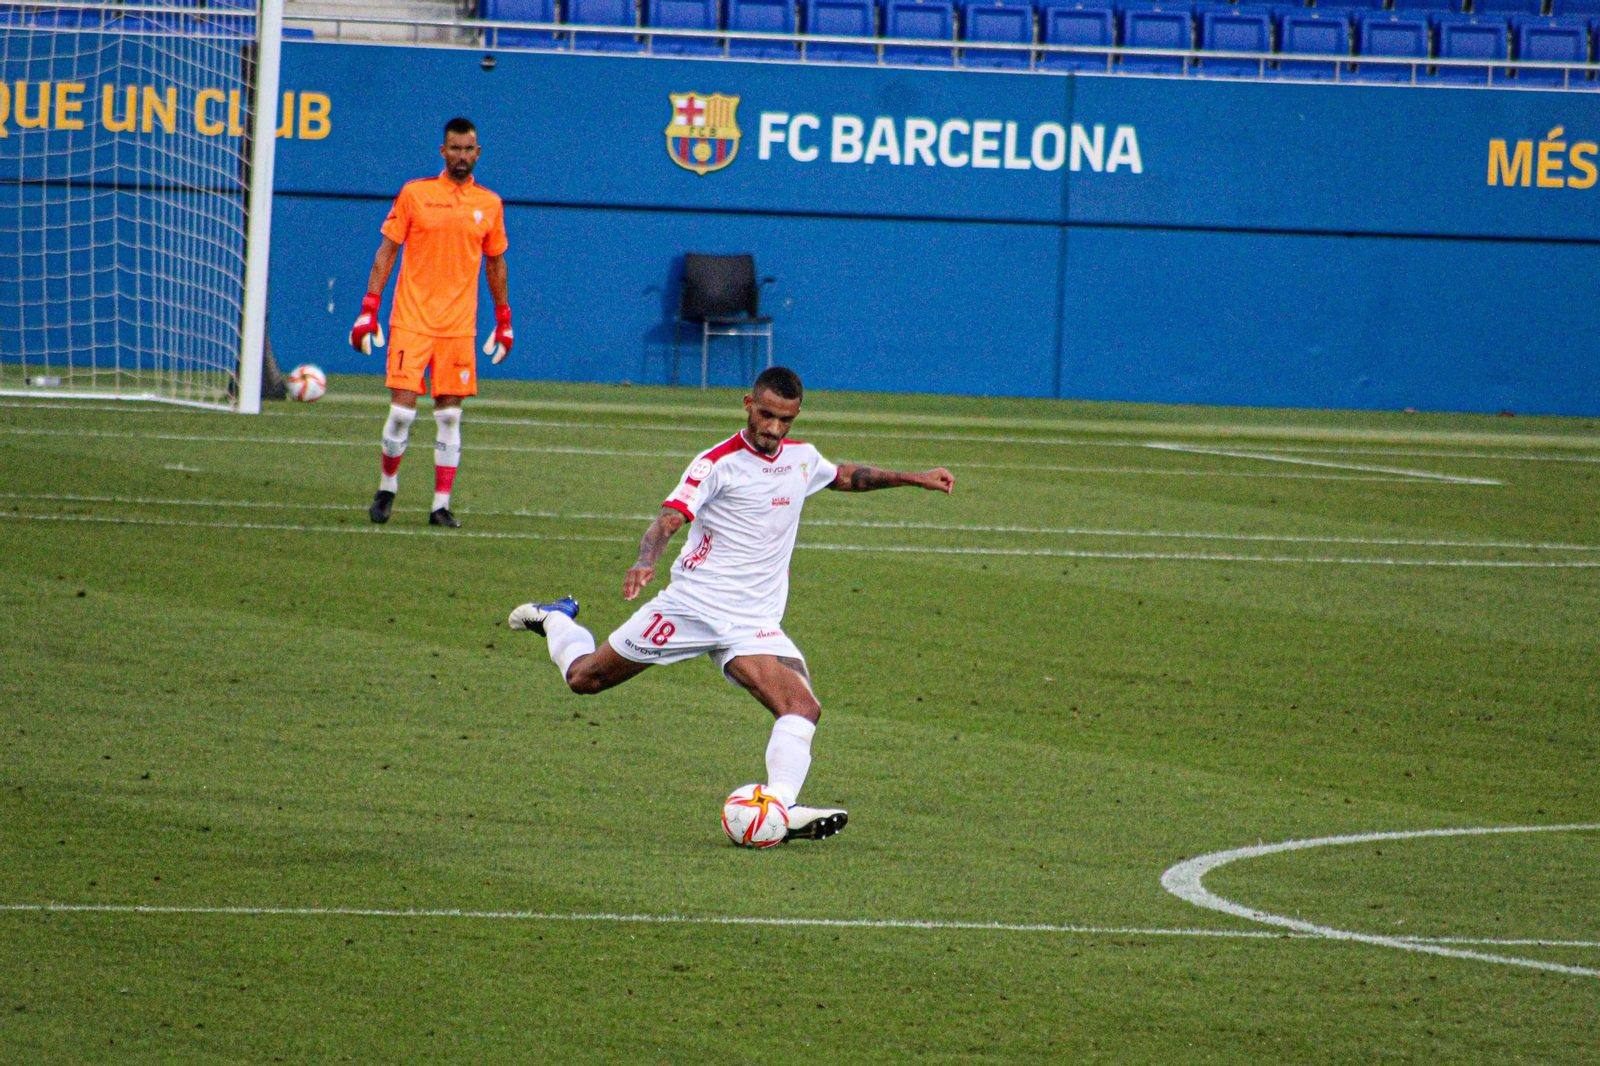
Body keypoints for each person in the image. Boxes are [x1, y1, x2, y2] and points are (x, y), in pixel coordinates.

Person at [507, 367, 955, 842]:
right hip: (691, 607)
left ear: (796, 415)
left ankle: (779, 808)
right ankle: (556, 618)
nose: (773, 429)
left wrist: (915, 477)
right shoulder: (715, 463)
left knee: (801, 707)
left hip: (753, 622)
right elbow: (667, 520)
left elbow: (844, 477)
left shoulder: (802, 459)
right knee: (584, 679)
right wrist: (645, 562)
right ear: (747, 404)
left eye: (785, 420)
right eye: (765, 415)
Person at [350, 116, 515, 528]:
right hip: (411, 319)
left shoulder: (489, 204)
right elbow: (387, 251)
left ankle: (440, 505)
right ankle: (387, 487)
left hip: (459, 327)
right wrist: (368, 309)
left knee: (449, 417)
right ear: (443, 152)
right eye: (454, 148)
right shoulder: (415, 194)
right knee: (402, 414)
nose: (461, 156)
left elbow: (496, 264)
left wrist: (504, 318)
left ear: (478, 153)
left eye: (468, 149)